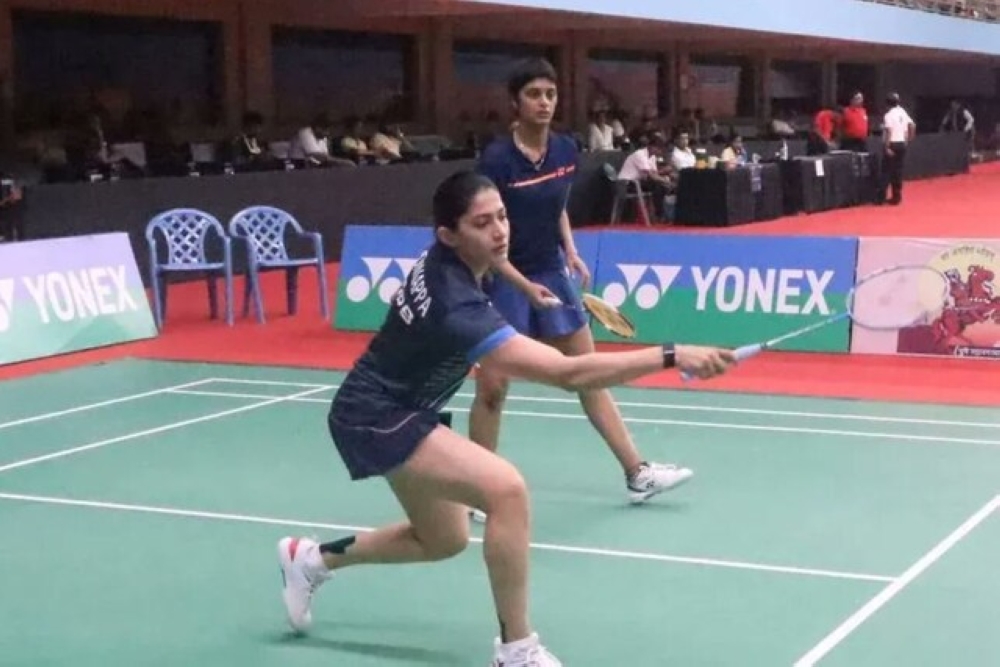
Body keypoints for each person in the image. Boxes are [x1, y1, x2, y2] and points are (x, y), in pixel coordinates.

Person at [277, 171, 737, 667]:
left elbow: (496, 260)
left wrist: (526, 288)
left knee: (444, 539)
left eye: (501, 216)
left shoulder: (459, 259)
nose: (499, 231)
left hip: (407, 406)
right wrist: (671, 354)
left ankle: (310, 560)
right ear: (448, 235)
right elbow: (568, 373)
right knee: (506, 491)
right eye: (483, 223)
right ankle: (517, 650)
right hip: (375, 414)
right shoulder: (455, 301)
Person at [471, 59, 692, 522]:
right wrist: (522, 285)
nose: (544, 103)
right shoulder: (496, 160)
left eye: (550, 94)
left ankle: (637, 472)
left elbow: (557, 206)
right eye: (534, 94)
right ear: (515, 102)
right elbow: (486, 237)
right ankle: (477, 488)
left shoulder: (565, 149)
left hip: (550, 270)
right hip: (505, 274)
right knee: (492, 386)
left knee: (589, 372)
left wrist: (570, 251)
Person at [880, 93, 916, 206]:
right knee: (898, 171)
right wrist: (909, 139)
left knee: (886, 171)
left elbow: (889, 131)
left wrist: (887, 147)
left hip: (892, 144)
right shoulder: (902, 112)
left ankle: (881, 197)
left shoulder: (888, 115)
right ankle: (896, 196)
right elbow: (912, 125)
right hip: (901, 143)